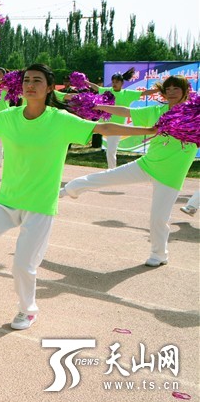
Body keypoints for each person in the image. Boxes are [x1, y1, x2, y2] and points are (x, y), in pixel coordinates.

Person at [0, 64, 157, 330]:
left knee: (23, 265)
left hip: (40, 205)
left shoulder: (61, 120)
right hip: (7, 200)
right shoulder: (11, 116)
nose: (30, 85)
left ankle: (27, 311)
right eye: (27, 80)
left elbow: (102, 128)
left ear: (49, 88)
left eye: (37, 80)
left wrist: (149, 131)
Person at [60, 75, 197, 267]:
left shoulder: (195, 114)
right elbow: (126, 111)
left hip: (171, 176)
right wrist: (98, 106)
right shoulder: (157, 110)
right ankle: (69, 189)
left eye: (176, 88)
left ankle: (159, 255)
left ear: (186, 91)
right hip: (147, 164)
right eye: (168, 88)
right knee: (106, 176)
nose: (172, 92)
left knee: (158, 218)